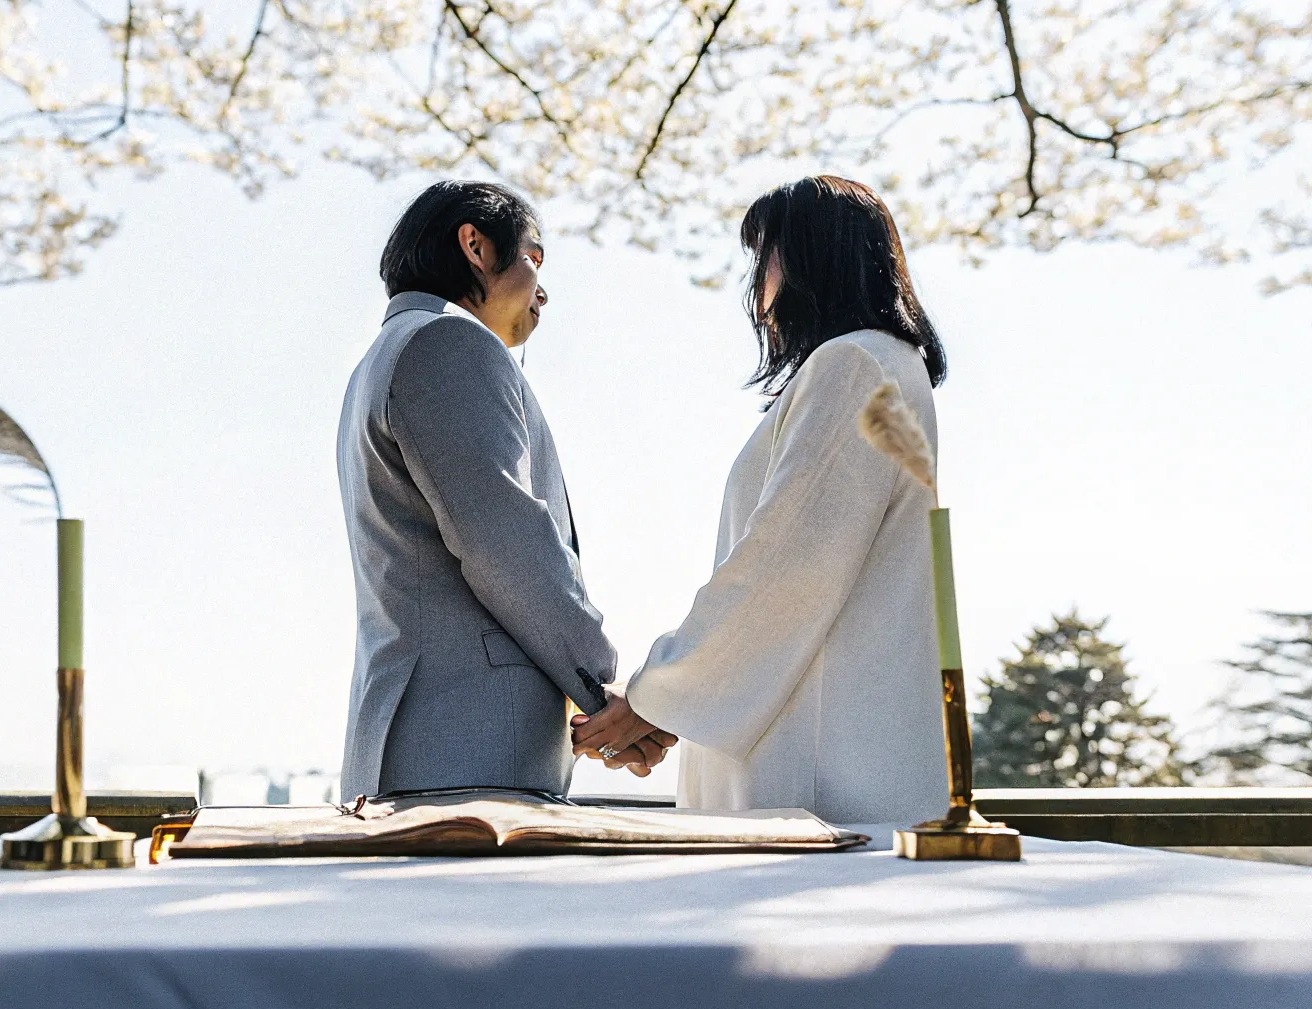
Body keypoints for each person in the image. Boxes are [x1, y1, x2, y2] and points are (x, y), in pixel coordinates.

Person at [572, 176, 948, 824]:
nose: (755, 286)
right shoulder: (880, 365)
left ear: (809, 257)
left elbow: (787, 565)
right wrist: (667, 702)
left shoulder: (853, 366)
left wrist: (655, 694)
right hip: (828, 729)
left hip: (817, 763)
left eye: (763, 255)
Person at [336, 180, 674, 801]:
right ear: (475, 246)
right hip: (467, 750)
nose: (543, 291)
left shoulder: (378, 362)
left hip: (417, 741)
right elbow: (507, 547)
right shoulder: (449, 343)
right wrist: (607, 694)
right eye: (533, 259)